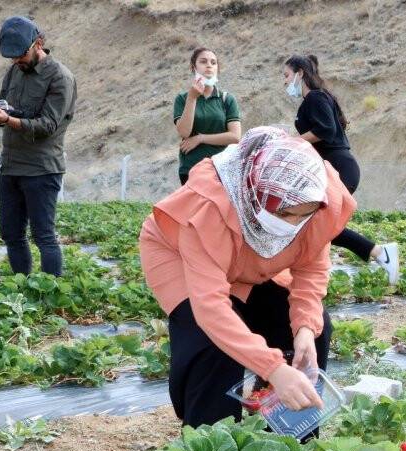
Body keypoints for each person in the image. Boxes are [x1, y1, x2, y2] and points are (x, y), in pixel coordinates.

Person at [139, 126, 355, 428]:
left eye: (302, 215)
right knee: (211, 345)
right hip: (178, 253)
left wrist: (305, 329)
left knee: (310, 329)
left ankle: (290, 441)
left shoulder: (318, 196)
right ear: (256, 198)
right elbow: (211, 310)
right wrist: (274, 368)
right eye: (285, 215)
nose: (294, 224)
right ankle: (211, 443)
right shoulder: (211, 207)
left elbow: (311, 267)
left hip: (253, 258)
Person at [282, 54, 399, 285]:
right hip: (332, 168)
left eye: (286, 76)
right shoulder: (315, 99)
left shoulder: (315, 98)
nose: (284, 82)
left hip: (339, 168)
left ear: (300, 73)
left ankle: (380, 253)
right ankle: (319, 270)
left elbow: (325, 130)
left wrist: (291, 141)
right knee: (313, 224)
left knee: (317, 224)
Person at [0, 16, 76, 276]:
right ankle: (24, 290)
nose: (16, 61)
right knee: (10, 234)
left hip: (41, 169)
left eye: (21, 55)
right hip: (10, 166)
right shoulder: (14, 71)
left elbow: (48, 125)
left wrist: (9, 119)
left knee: (44, 236)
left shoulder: (60, 77)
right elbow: (4, 104)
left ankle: (51, 298)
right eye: (12, 58)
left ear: (38, 43)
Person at [173, 47, 241, 185]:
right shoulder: (182, 99)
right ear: (194, 67)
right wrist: (192, 98)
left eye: (213, 62)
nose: (209, 65)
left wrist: (200, 138)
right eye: (203, 62)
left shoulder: (227, 99)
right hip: (192, 170)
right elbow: (184, 132)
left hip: (222, 170)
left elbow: (235, 137)